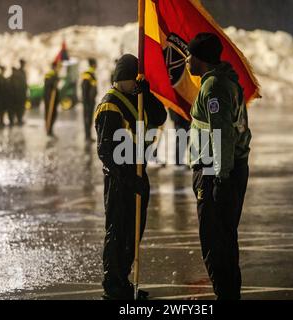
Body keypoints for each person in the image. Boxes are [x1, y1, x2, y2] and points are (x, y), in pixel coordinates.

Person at [94, 54, 167, 300]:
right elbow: (106, 151)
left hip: (138, 173)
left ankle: (123, 280)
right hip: (119, 179)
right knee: (118, 232)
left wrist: (147, 94)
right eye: (134, 79)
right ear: (122, 79)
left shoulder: (137, 99)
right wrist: (128, 178)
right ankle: (113, 285)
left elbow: (159, 117)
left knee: (134, 232)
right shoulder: (110, 105)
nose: (137, 83)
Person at [186, 33, 252, 300]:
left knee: (215, 244)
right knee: (224, 240)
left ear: (200, 59)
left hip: (216, 172)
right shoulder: (221, 81)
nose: (187, 60)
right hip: (223, 169)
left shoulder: (213, 87)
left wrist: (221, 178)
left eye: (190, 55)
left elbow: (221, 133)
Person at [81, 58, 98, 142]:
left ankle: (88, 136)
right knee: (87, 118)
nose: (96, 65)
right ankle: (87, 136)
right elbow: (84, 90)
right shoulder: (87, 75)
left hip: (91, 102)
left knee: (89, 119)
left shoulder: (92, 74)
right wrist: (86, 102)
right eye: (95, 63)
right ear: (93, 64)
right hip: (88, 102)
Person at [44, 61, 60, 136]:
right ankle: (48, 130)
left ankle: (50, 129)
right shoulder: (49, 75)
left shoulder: (55, 75)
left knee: (54, 114)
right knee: (49, 114)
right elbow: (48, 86)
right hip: (49, 99)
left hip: (54, 99)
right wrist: (53, 82)